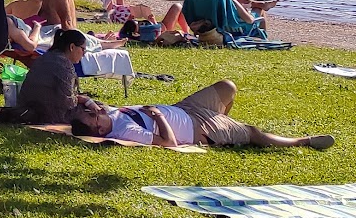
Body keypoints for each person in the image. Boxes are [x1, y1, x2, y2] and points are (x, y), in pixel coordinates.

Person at [69, 80, 334, 149]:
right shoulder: (124, 132)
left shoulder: (110, 114)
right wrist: (158, 117)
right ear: (99, 130)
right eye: (91, 116)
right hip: (199, 127)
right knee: (253, 132)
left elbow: (83, 100)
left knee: (228, 87)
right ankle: (303, 141)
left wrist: (88, 103)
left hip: (185, 108)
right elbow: (169, 144)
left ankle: (229, 126)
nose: (93, 110)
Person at [15, 29, 95, 123]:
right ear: (72, 47)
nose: (84, 54)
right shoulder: (65, 65)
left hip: (26, 110)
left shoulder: (45, 56)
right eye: (83, 49)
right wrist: (85, 100)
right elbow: (68, 104)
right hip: (46, 115)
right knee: (94, 113)